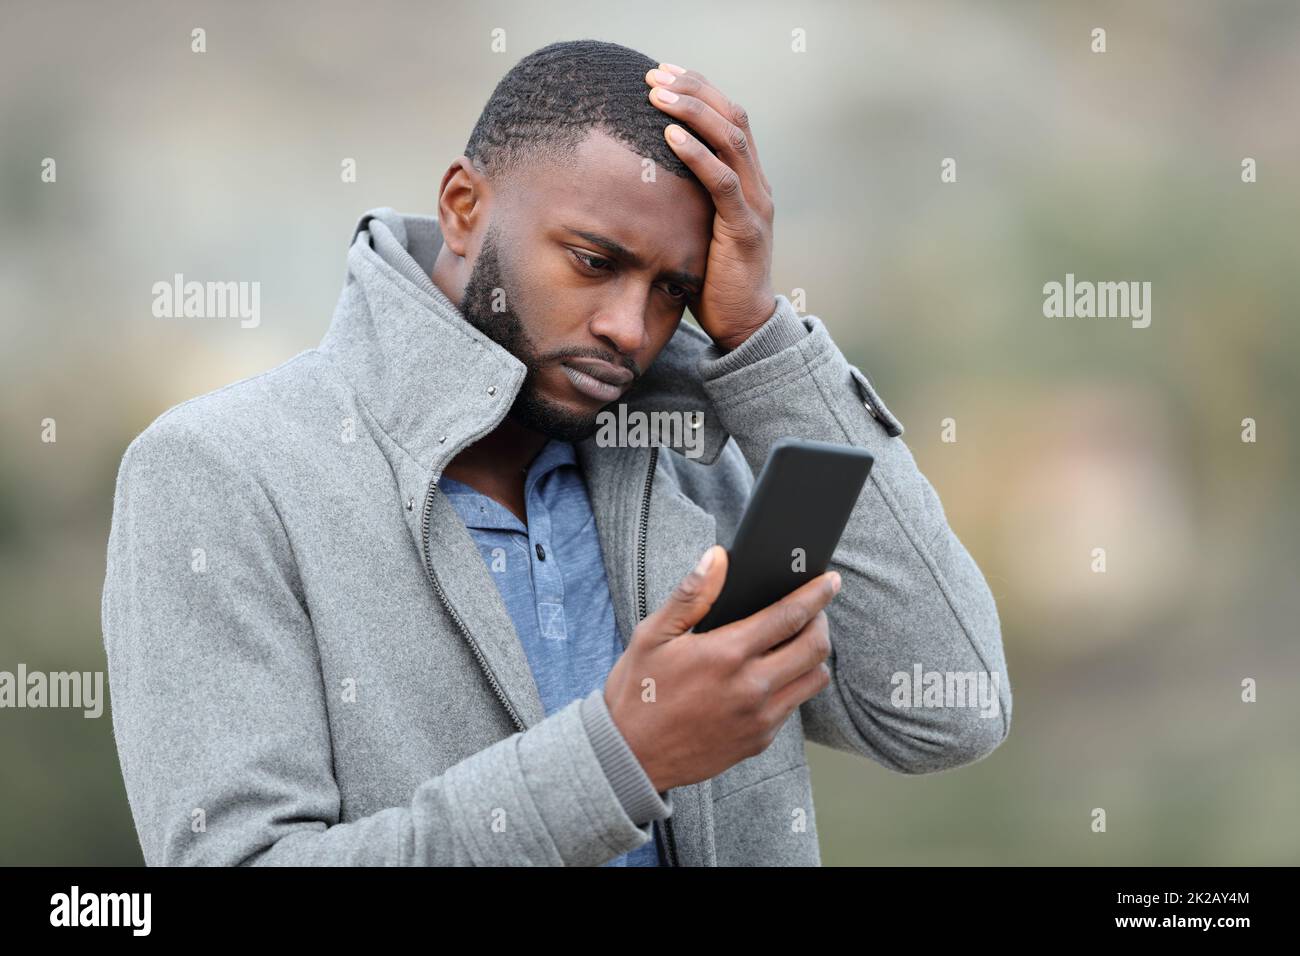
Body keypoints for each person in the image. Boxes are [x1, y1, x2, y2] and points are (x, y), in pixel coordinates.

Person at [101, 39, 1011, 866]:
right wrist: (625, 755)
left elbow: (951, 713)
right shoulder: (219, 473)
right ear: (463, 206)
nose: (628, 329)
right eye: (592, 261)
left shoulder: (687, 456)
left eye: (673, 292)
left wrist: (763, 342)